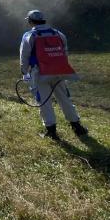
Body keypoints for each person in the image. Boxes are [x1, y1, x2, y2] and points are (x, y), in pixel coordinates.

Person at [20, 10, 87, 139]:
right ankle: (77, 126)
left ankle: (51, 131)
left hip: (40, 74)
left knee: (44, 102)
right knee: (64, 99)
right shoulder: (58, 33)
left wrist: (24, 72)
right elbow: (64, 53)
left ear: (30, 21)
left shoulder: (29, 35)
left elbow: (24, 56)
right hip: (59, 73)